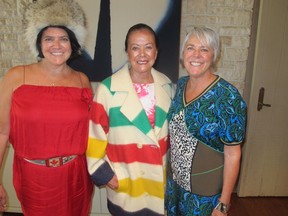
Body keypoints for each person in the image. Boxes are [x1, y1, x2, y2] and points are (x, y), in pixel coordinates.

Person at [0, 0, 93, 215]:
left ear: (73, 44)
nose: (57, 46)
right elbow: (2, 131)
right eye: (48, 39)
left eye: (63, 39)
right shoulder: (17, 76)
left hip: (76, 177)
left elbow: (93, 132)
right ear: (39, 43)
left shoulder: (82, 80)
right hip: (34, 180)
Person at [86, 23, 175, 216]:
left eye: (148, 47)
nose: (142, 54)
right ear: (127, 52)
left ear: (156, 52)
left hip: (157, 185)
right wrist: (105, 174)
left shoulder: (167, 86)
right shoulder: (107, 89)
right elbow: (94, 137)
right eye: (135, 47)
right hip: (126, 184)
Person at [165, 26, 247, 216]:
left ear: (214, 55)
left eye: (204, 49)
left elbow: (233, 154)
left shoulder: (228, 97)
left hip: (204, 197)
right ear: (183, 53)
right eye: (190, 48)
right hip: (174, 187)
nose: (196, 55)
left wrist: (223, 203)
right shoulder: (181, 84)